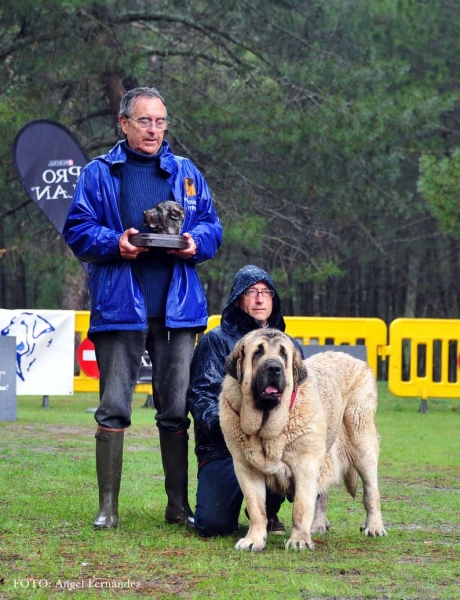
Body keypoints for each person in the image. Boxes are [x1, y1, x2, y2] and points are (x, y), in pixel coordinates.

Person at [63, 86, 222, 530]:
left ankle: (177, 506)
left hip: (177, 312)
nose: (154, 130)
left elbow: (212, 225)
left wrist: (196, 242)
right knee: (114, 406)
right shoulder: (98, 173)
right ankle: (107, 508)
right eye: (145, 121)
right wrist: (115, 243)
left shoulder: (187, 173)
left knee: (175, 409)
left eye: (160, 122)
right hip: (120, 308)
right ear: (124, 124)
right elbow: (78, 230)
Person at [187, 265, 303, 537]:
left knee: (311, 456)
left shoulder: (289, 346)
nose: (260, 299)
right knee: (213, 526)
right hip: (224, 448)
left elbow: (303, 399)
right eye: (252, 292)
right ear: (237, 298)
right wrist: (235, 429)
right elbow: (200, 395)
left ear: (274, 300)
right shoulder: (214, 341)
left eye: (266, 292)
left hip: (276, 445)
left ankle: (268, 511)